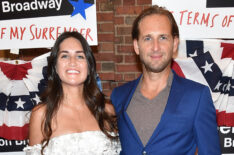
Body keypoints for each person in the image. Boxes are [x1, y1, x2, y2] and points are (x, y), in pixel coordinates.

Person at [111, 5, 221, 155]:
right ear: (136, 46)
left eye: (163, 37)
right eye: (148, 38)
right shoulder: (119, 96)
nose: (155, 47)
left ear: (175, 44)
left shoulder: (197, 97)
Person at [24, 31, 121, 155]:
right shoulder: (41, 114)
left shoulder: (106, 111)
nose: (72, 62)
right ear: (55, 67)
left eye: (80, 56)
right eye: (64, 56)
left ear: (89, 66)